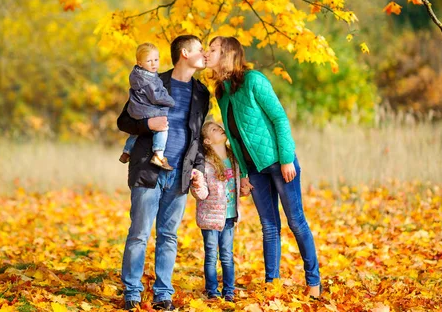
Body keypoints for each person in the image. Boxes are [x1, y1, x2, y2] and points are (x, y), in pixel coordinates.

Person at [204, 36, 322, 299]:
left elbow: (279, 117)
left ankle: (313, 281)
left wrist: (287, 158)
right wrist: (244, 174)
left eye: (212, 49)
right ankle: (273, 284)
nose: (207, 53)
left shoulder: (254, 80)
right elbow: (234, 138)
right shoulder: (221, 92)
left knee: (296, 221)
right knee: (269, 225)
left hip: (279, 163)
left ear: (227, 54)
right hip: (254, 169)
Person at [117, 34, 210, 311]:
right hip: (149, 169)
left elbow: (198, 137)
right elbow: (124, 120)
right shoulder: (153, 80)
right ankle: (132, 293)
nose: (204, 53)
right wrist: (148, 124)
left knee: (169, 236)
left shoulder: (201, 93)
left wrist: (198, 169)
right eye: (199, 49)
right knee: (139, 234)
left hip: (179, 173)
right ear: (184, 53)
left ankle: (163, 295)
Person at [190, 121, 251, 303]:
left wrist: (245, 188)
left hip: (230, 216)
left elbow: (237, 185)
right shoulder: (206, 164)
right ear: (207, 141)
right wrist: (197, 183)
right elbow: (202, 194)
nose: (220, 129)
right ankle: (212, 291)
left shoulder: (233, 159)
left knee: (226, 254)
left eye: (219, 127)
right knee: (211, 255)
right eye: (214, 130)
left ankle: (229, 291)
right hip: (210, 217)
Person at [119, 42, 176, 170]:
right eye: (149, 61)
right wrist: (171, 101)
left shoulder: (137, 75)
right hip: (146, 109)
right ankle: (159, 154)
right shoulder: (148, 80)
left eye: (156, 59)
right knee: (162, 127)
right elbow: (157, 97)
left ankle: (127, 151)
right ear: (140, 63)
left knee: (135, 133)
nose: (153, 63)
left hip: (137, 109)